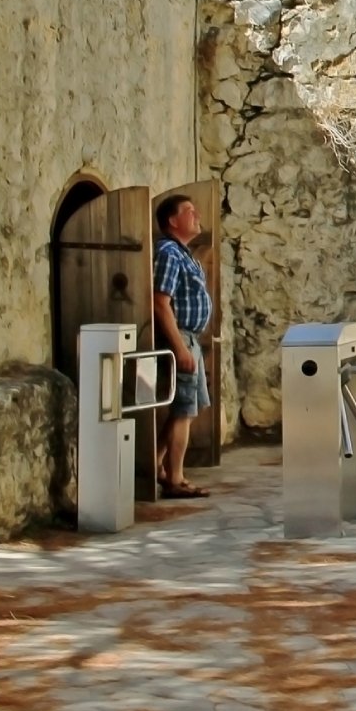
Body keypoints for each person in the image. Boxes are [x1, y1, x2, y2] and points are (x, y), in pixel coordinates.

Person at [152, 194, 213, 498]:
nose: (197, 214)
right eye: (189, 211)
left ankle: (155, 464)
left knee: (186, 408)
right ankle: (175, 479)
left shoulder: (184, 254)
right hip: (183, 337)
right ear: (173, 221)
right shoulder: (168, 253)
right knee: (184, 407)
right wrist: (179, 347)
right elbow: (161, 302)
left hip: (192, 338)